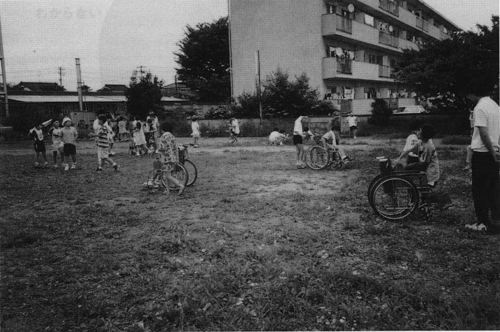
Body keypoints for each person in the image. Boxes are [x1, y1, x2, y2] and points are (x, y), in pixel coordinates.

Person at [465, 92, 499, 233]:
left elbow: (484, 133)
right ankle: (495, 220)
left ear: (472, 93)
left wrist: (491, 150)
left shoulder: (480, 107)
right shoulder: (495, 106)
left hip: (482, 153)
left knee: (479, 190)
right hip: (495, 152)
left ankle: (482, 222)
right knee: (493, 188)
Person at [153, 122, 185, 195]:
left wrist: (157, 155)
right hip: (172, 157)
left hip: (165, 158)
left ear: (163, 129)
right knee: (167, 174)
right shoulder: (172, 136)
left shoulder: (163, 137)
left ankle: (180, 185)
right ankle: (167, 190)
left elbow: (161, 148)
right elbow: (175, 147)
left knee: (168, 175)